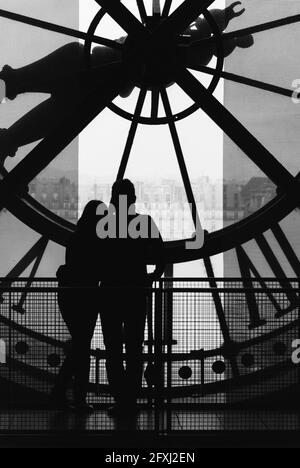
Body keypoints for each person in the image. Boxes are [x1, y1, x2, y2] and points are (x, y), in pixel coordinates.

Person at [0, 2, 253, 165]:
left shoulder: (189, 37)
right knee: (57, 115)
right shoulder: (199, 52)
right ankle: (8, 138)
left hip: (95, 62)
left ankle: (11, 87)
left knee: (36, 84)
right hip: (104, 83)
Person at [98, 179, 165, 417]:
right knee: (135, 348)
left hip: (110, 294)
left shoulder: (105, 225)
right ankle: (130, 400)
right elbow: (161, 257)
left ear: (113, 200)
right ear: (134, 199)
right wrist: (148, 279)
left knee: (113, 349)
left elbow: (96, 261)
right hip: (136, 293)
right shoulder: (144, 223)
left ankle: (121, 399)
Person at [52, 199, 107, 412]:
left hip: (72, 296)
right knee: (81, 349)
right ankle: (75, 396)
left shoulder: (76, 239)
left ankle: (63, 392)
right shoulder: (97, 241)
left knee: (80, 348)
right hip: (87, 297)